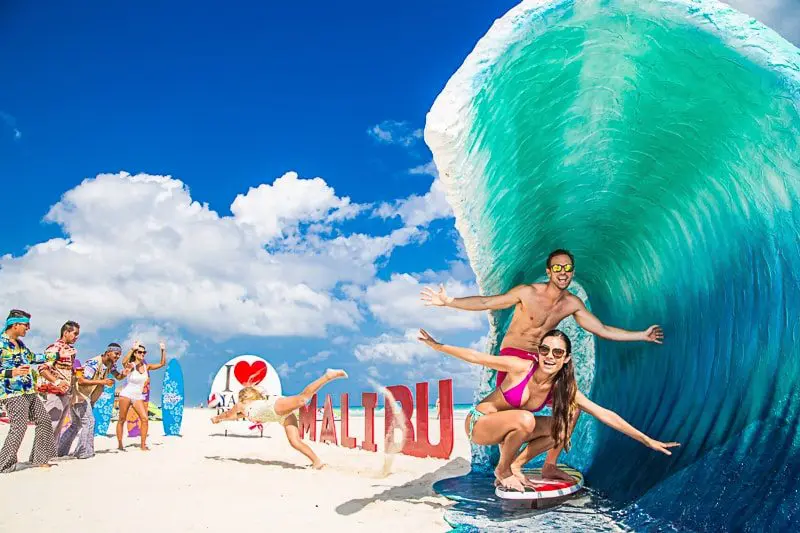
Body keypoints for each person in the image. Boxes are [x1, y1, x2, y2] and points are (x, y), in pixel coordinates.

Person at [420, 248, 664, 480]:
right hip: (517, 360)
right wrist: (449, 301)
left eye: (567, 267)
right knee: (519, 414)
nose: (562, 271)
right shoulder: (527, 293)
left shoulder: (572, 304)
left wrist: (641, 335)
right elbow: (486, 303)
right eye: (557, 266)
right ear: (548, 271)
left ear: (572, 272)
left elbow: (601, 329)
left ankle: (549, 464)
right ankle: (504, 464)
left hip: (543, 364)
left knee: (572, 410)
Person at [416, 328, 679, 492]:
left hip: (515, 427)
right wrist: (439, 346)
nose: (550, 356)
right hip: (480, 424)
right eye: (545, 349)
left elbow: (604, 413)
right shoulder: (520, 367)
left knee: (561, 429)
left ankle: (518, 465)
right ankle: (503, 470)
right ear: (539, 352)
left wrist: (647, 440)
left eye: (557, 352)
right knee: (526, 419)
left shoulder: (564, 387)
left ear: (566, 358)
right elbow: (476, 357)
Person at [211, 368, 348, 469]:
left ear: (244, 396)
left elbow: (229, 414)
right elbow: (233, 417)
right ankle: (317, 462)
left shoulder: (242, 405)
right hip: (282, 417)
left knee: (302, 400)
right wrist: (220, 420)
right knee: (295, 442)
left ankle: (328, 376)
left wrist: (218, 417)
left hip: (274, 407)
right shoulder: (245, 412)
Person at [0, 310, 58, 472]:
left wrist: (58, 354)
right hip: (11, 392)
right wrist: (12, 372)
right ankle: (3, 464)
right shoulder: (1, 343)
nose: (28, 328)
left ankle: (39, 458)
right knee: (19, 426)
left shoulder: (21, 344)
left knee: (44, 420)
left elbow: (33, 358)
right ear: (15, 324)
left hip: (29, 391)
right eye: (26, 325)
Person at [57, 343, 127, 459]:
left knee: (76, 425)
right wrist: (102, 382)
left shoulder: (110, 364)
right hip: (79, 396)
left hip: (83, 397)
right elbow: (81, 381)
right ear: (108, 352)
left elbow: (118, 377)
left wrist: (126, 372)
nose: (118, 356)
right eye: (116, 353)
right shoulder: (94, 363)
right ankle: (83, 452)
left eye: (119, 354)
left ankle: (60, 451)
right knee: (89, 421)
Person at [116, 340, 167, 451]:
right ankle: (120, 444)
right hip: (126, 394)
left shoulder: (146, 366)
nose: (142, 354)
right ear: (135, 353)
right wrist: (132, 349)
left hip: (137, 396)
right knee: (122, 419)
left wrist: (163, 350)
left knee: (144, 419)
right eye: (139, 352)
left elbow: (162, 364)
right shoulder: (131, 365)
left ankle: (143, 445)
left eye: (144, 353)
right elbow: (124, 363)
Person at [40, 321, 81, 449]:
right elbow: (42, 368)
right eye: (75, 333)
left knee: (58, 426)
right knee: (50, 425)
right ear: (66, 332)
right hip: (54, 391)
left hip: (66, 391)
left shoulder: (70, 351)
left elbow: (68, 371)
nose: (76, 337)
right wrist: (57, 382)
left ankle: (50, 454)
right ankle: (39, 457)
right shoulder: (55, 348)